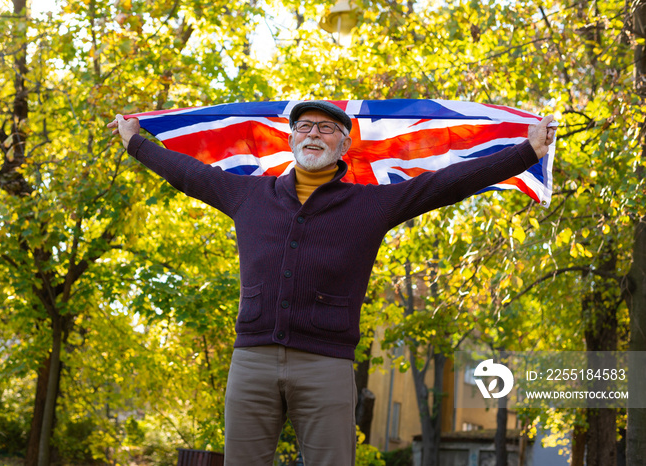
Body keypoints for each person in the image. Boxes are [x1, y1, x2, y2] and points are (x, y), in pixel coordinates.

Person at [108, 101, 556, 466]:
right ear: (290, 139)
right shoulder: (248, 194)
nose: (314, 135)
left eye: (326, 129)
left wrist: (526, 152)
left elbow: (447, 184)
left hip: (326, 365)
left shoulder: (372, 204)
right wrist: (135, 143)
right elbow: (188, 174)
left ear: (344, 145)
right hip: (252, 362)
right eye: (304, 127)